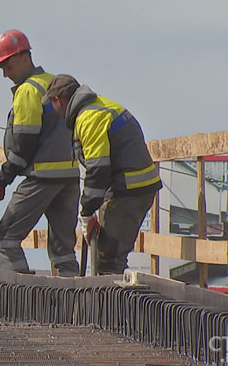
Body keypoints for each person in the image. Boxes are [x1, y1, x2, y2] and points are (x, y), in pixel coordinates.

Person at [43, 74, 161, 274]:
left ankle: (112, 304)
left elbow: (98, 170)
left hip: (129, 190)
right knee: (109, 256)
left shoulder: (89, 117)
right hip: (133, 187)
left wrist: (87, 212)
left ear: (58, 100)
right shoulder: (97, 106)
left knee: (108, 260)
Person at [0, 29, 80, 276]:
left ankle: (20, 300)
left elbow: (22, 148)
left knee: (6, 238)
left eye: (7, 65)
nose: (5, 74)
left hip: (42, 178)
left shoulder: (28, 90)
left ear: (24, 57)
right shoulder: (54, 83)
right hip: (70, 178)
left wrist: (1, 181)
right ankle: (71, 309)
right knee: (64, 251)